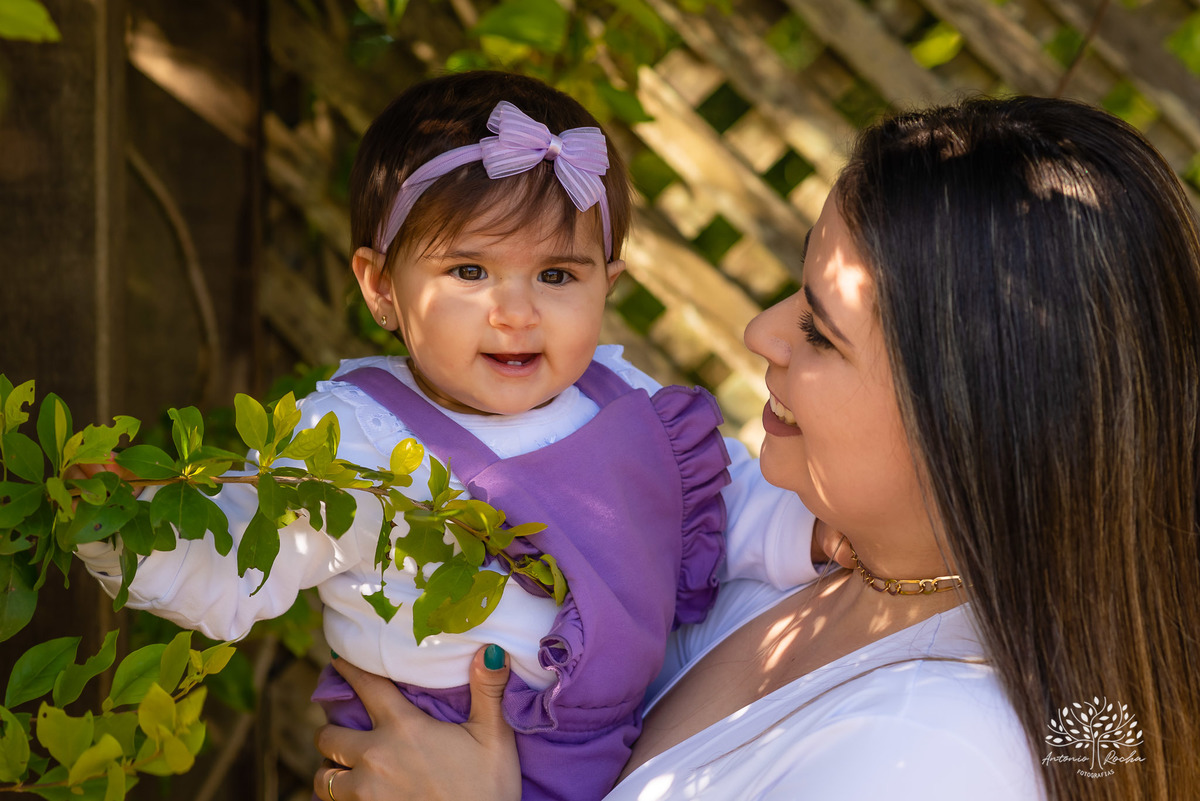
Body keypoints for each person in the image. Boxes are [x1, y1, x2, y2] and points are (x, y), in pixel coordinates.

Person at [310, 95, 1200, 801]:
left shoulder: (933, 755)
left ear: (970, 411)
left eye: (819, 331)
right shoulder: (802, 559)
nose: (759, 331)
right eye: (792, 293)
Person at [76, 71, 822, 801]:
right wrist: (119, 520)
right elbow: (239, 553)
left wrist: (818, 540)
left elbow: (734, 509)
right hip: (434, 754)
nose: (516, 311)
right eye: (470, 270)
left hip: (619, 754)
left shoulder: (628, 402)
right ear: (380, 286)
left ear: (609, 283)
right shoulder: (355, 437)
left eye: (558, 276)